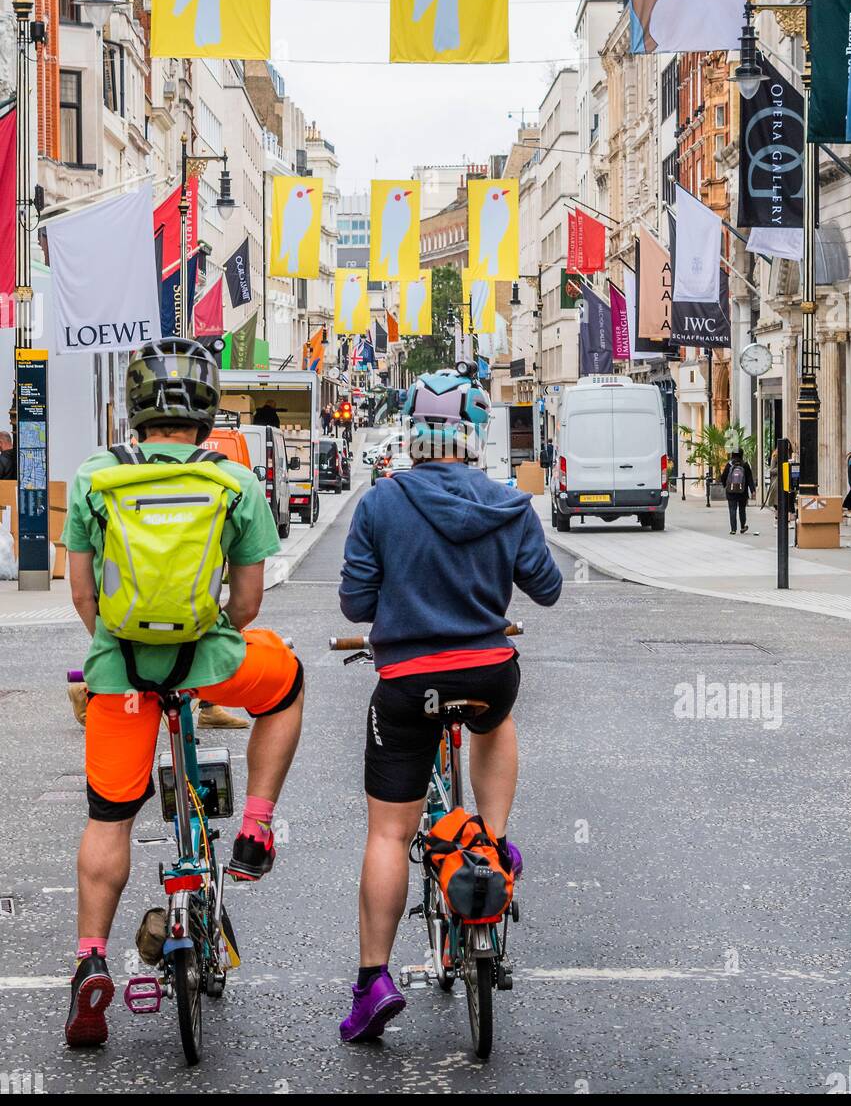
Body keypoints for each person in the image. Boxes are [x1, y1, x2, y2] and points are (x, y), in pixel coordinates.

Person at [61, 336, 305, 1048]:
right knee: (287, 682)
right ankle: (257, 824)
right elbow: (250, 602)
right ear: (205, 409)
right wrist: (204, 644)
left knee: (108, 819)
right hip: (208, 660)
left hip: (123, 676)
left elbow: (83, 594)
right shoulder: (234, 481)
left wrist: (120, 649)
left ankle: (90, 963)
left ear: (135, 408)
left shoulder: (93, 478)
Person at [338, 365, 562, 1043]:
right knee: (496, 721)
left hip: (408, 680)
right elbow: (546, 588)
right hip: (488, 670)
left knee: (387, 834)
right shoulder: (507, 503)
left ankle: (373, 981)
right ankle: (491, 845)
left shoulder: (379, 503)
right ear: (475, 433)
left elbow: (355, 603)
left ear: (413, 432)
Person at [721, 448, 755, 535]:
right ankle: (743, 527)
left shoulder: (729, 465)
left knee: (732, 509)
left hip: (731, 491)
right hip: (742, 492)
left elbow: (723, 477)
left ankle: (733, 529)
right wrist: (752, 490)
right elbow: (750, 479)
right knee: (742, 509)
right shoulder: (745, 465)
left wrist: (726, 485)